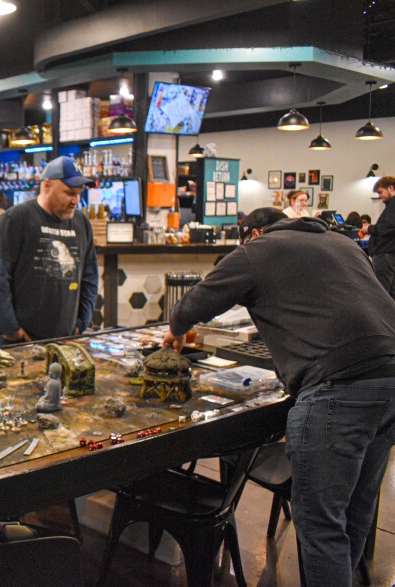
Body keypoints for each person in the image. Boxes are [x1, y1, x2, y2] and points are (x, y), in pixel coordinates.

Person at [163, 207, 395, 587]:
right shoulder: (343, 243)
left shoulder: (258, 249)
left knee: (321, 526)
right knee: (355, 513)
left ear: (251, 233)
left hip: (338, 387)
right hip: (390, 379)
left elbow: (198, 301)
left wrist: (176, 329)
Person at [0, 155, 98, 343]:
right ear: (47, 186)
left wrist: (81, 323)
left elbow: (90, 277)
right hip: (21, 340)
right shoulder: (15, 219)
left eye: (78, 193)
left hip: (68, 337)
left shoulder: (81, 223)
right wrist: (10, 329)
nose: (75, 200)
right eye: (69, 192)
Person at [368, 177, 395, 297]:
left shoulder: (393, 205)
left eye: (380, 192)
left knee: (381, 294)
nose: (379, 196)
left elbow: (389, 227)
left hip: (386, 254)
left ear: (390, 188)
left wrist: (370, 228)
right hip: (389, 254)